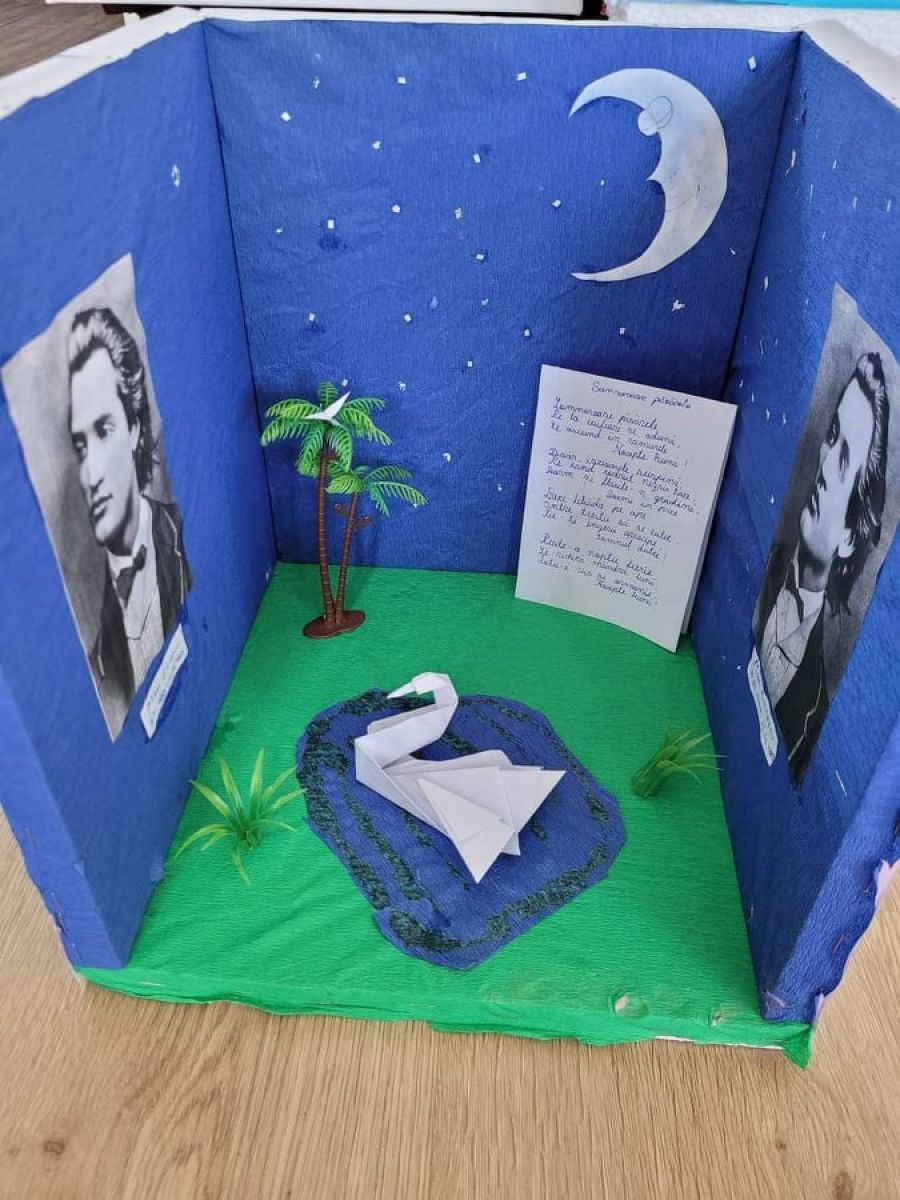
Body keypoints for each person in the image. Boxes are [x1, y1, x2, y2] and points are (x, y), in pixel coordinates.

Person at [755, 352, 889, 782]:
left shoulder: (815, 703)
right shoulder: (762, 568)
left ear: (850, 536)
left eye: (844, 460)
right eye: (832, 436)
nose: (825, 463)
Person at [68, 307, 191, 735]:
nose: (91, 472)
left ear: (135, 428)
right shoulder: (99, 654)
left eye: (103, 430)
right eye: (80, 445)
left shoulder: (178, 537)